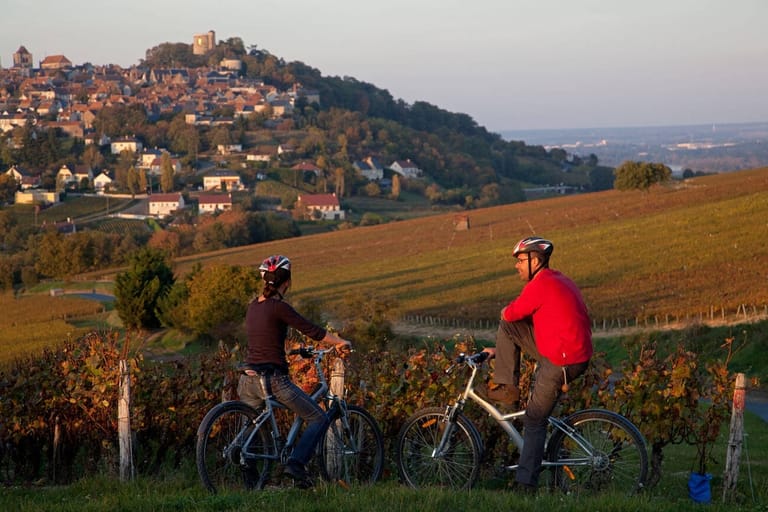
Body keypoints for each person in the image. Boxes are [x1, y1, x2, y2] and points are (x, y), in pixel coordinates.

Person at [480, 236, 592, 493]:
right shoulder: (558, 279)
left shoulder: (539, 285)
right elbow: (534, 326)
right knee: (510, 330)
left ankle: (525, 485)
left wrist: (505, 315)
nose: (517, 266)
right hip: (569, 353)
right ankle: (507, 386)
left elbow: (509, 314)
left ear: (535, 259)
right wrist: (501, 350)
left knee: (534, 419)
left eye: (520, 260)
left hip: (561, 360)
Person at [237, 254, 352, 489]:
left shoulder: (253, 306)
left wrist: (293, 350)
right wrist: (340, 341)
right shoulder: (279, 307)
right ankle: (296, 465)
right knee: (318, 417)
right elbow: (312, 330)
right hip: (272, 380)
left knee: (252, 429)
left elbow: (264, 340)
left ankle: (251, 480)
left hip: (247, 378)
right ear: (286, 282)